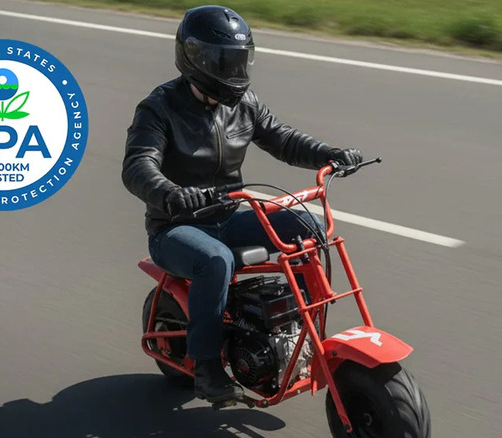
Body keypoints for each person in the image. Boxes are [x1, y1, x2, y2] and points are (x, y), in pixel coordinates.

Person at [122, 5, 363, 403]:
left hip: (229, 215)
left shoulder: (243, 103)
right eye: (222, 60)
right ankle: (207, 369)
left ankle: (298, 333)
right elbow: (138, 166)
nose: (233, 70)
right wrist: (171, 193)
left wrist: (329, 154)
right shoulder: (159, 108)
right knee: (216, 260)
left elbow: (283, 139)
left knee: (310, 230)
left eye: (238, 59)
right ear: (194, 58)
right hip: (175, 227)